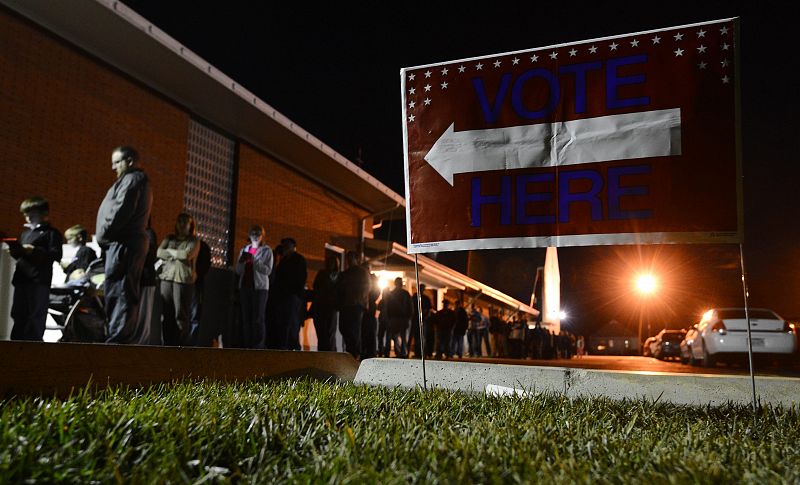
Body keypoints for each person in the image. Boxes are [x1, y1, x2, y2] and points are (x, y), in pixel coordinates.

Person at [95, 146, 153, 344]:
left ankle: (118, 338)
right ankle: (117, 335)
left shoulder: (132, 180)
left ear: (129, 161)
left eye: (117, 162)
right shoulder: (132, 180)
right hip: (122, 243)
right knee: (119, 290)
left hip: (124, 244)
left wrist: (105, 232)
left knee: (121, 291)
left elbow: (121, 210)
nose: (113, 167)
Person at [6, 197, 62, 341]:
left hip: (38, 280)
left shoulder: (51, 233)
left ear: (44, 213)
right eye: (26, 214)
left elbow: (55, 255)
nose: (28, 217)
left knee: (35, 315)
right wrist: (16, 251)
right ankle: (16, 343)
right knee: (18, 313)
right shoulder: (25, 233)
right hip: (22, 278)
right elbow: (21, 256)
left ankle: (33, 345)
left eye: (32, 213)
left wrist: (34, 251)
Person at [157, 213, 199, 346]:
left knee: (181, 316)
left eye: (185, 222)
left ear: (190, 225)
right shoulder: (170, 237)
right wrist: (176, 254)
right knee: (166, 315)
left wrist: (170, 252)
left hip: (183, 281)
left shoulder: (193, 240)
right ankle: (167, 345)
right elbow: (159, 252)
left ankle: (180, 346)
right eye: (179, 221)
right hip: (167, 279)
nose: (181, 224)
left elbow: (187, 254)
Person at [235, 225, 274, 349]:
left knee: (257, 318)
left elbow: (268, 270)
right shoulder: (244, 250)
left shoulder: (267, 251)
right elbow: (238, 270)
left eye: (258, 233)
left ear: (263, 235)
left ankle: (258, 346)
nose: (256, 235)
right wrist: (241, 262)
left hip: (260, 288)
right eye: (253, 232)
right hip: (245, 287)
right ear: (249, 235)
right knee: (246, 318)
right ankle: (248, 344)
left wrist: (253, 260)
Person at [271, 237, 307, 350]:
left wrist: (295, 292)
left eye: (287, 244)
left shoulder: (298, 259)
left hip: (292, 296)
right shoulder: (283, 260)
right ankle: (285, 345)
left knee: (291, 322)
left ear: (293, 246)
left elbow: (301, 278)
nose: (285, 247)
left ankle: (293, 346)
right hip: (283, 296)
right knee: (284, 322)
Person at [336, 251, 370, 358]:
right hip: (345, 305)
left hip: (356, 305)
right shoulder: (344, 273)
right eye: (347, 258)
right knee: (343, 328)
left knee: (354, 330)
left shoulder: (362, 272)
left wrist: (360, 300)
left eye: (351, 258)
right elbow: (339, 288)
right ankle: (349, 351)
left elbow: (367, 287)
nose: (349, 260)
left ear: (356, 259)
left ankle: (355, 354)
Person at [131, 220, 161, 345]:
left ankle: (141, 344)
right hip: (136, 279)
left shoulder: (148, 234)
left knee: (143, 314)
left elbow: (151, 256)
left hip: (145, 279)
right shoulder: (137, 234)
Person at [311, 254, 340, 351]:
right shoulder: (322, 273)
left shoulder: (339, 276)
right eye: (329, 262)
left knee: (330, 331)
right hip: (321, 306)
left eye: (333, 262)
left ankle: (331, 352)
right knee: (321, 331)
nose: (331, 264)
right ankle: (322, 352)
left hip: (332, 307)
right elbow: (316, 286)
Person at [190, 237, 212, 344]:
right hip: (191, 284)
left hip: (196, 284)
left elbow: (205, 266)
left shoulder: (202, 247)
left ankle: (190, 344)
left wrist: (197, 274)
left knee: (194, 315)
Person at [384, 277, 412, 358]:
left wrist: (408, 317)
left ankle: (396, 352)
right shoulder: (404, 293)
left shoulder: (394, 293)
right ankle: (401, 352)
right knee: (399, 336)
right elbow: (410, 306)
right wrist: (408, 317)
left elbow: (387, 307)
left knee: (395, 336)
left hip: (397, 318)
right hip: (398, 318)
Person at [360, 269, 380, 359]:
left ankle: (370, 352)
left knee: (370, 332)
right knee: (366, 332)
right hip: (366, 311)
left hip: (369, 311)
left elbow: (376, 293)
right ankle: (367, 352)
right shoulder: (366, 282)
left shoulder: (371, 282)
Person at [409, 284, 431, 358]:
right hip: (415, 319)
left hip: (423, 321)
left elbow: (428, 310)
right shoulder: (414, 297)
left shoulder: (425, 298)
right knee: (416, 337)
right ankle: (417, 352)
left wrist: (425, 317)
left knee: (422, 337)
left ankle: (422, 353)